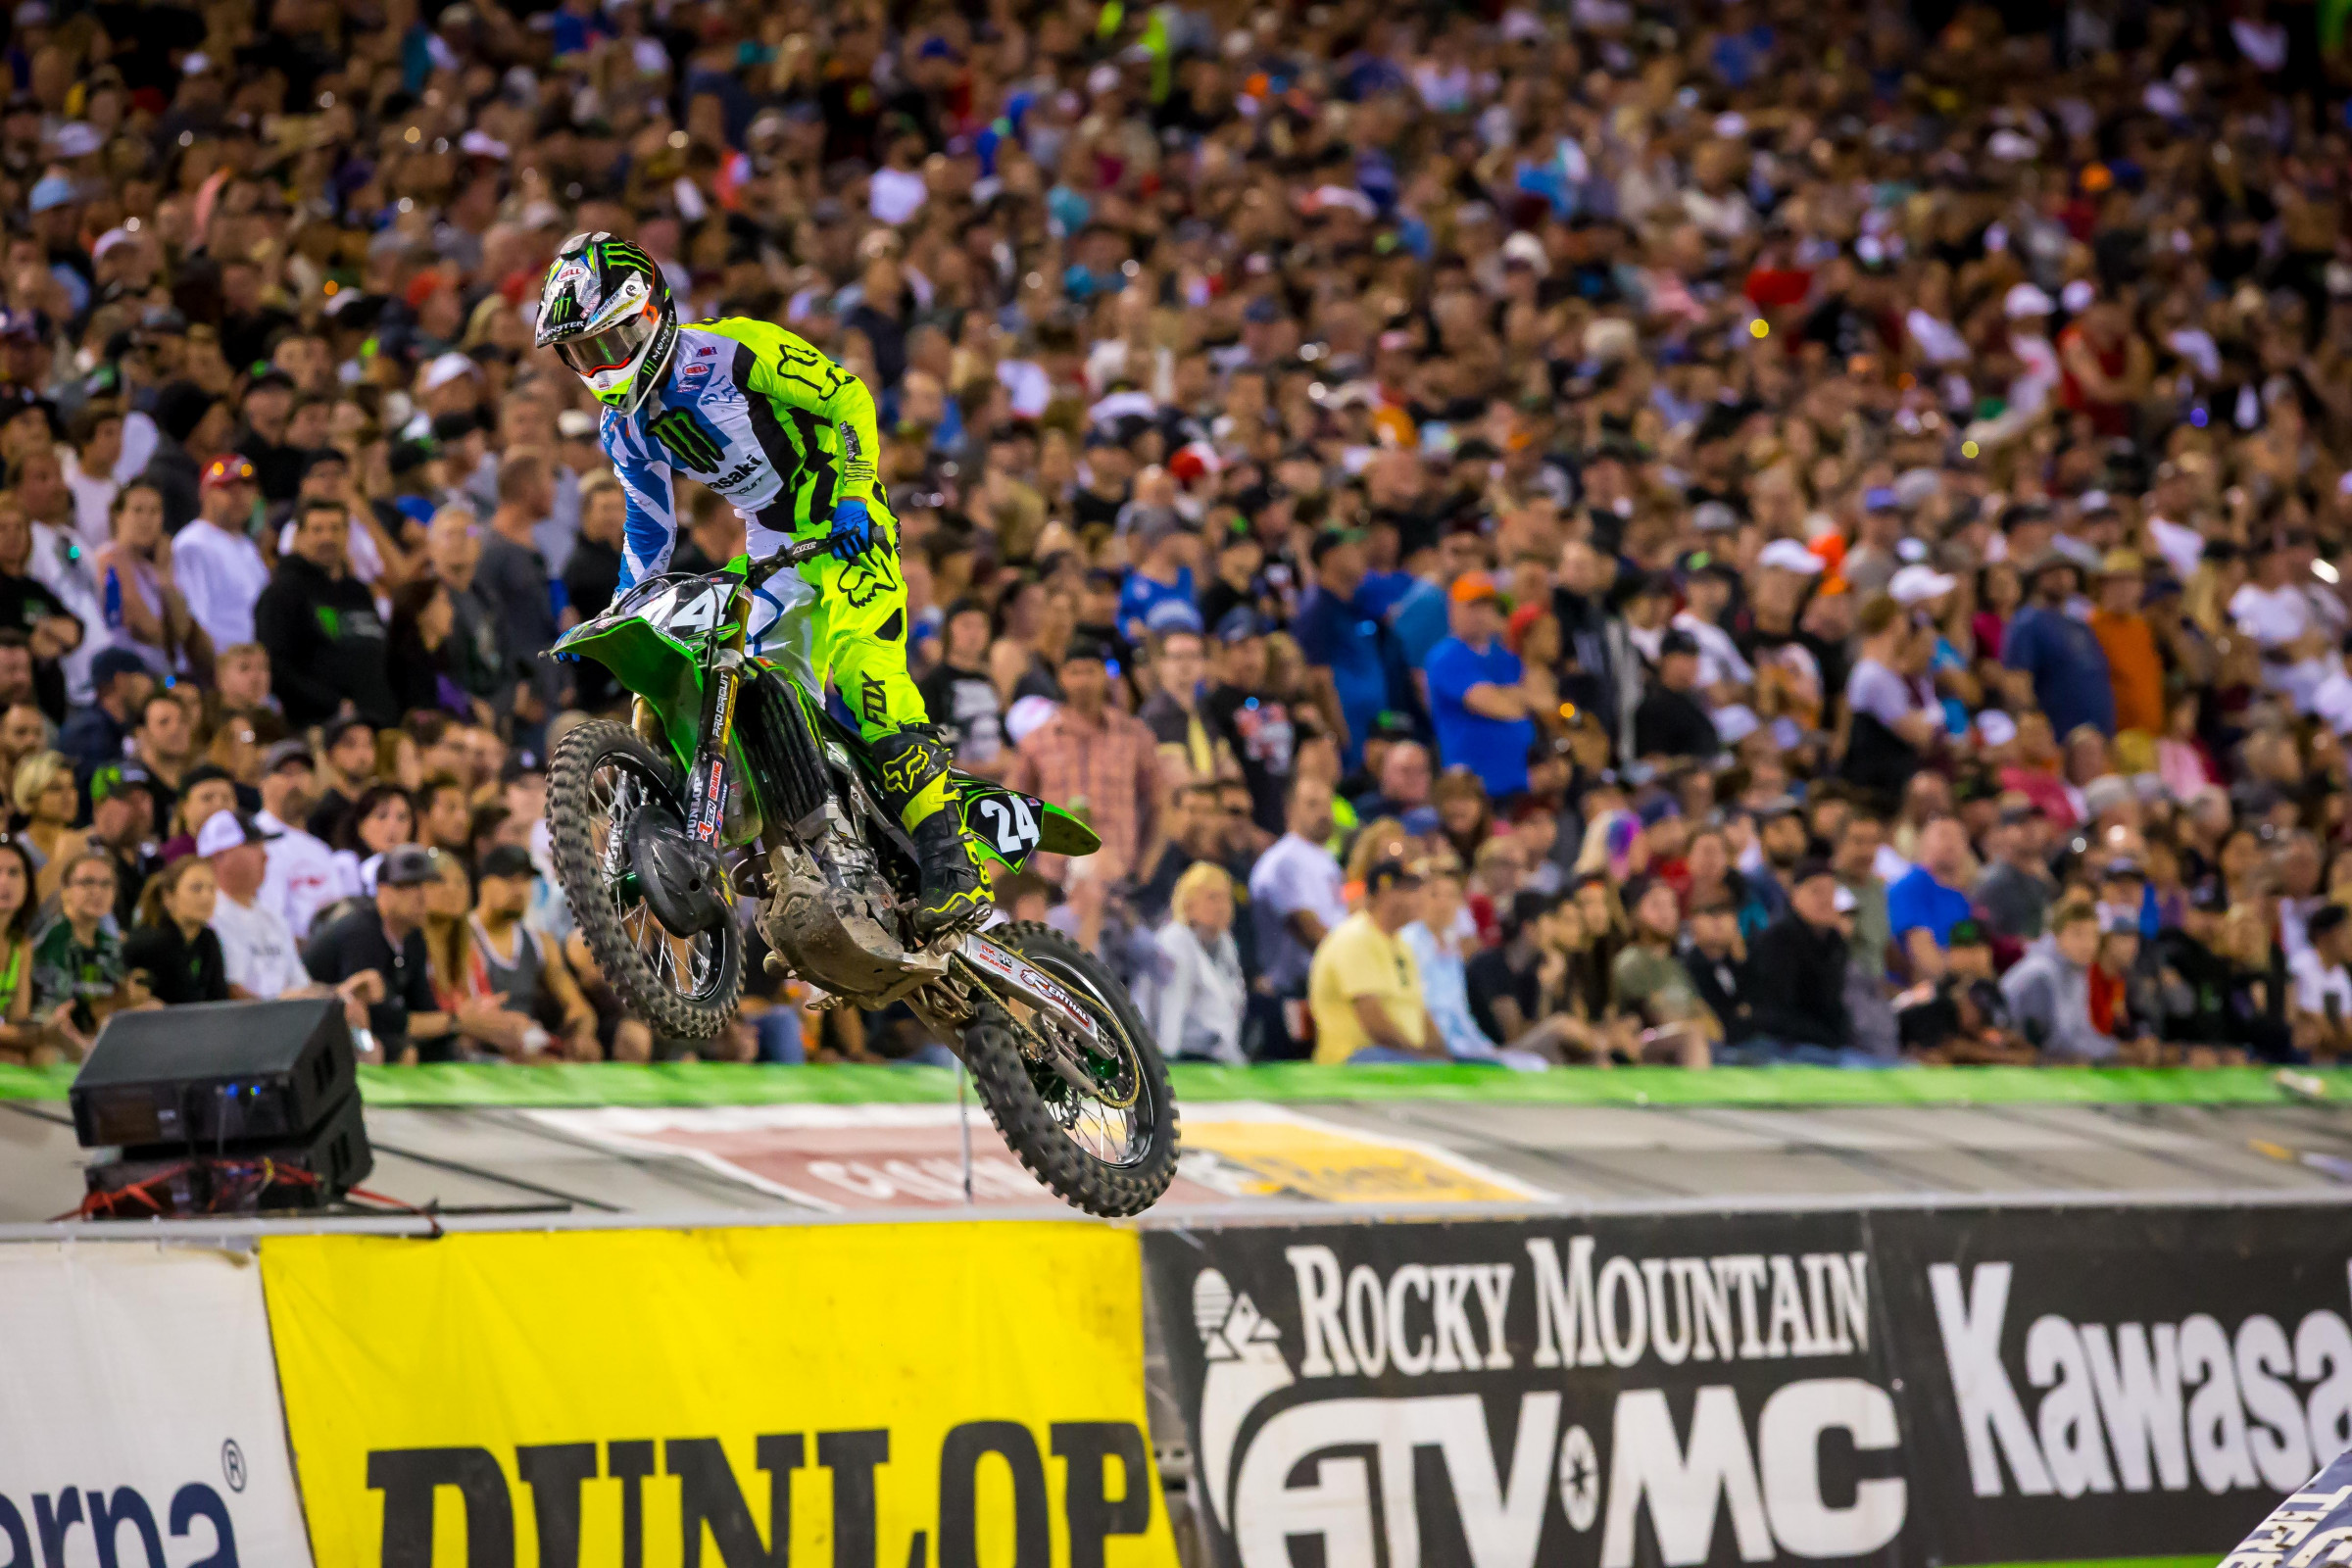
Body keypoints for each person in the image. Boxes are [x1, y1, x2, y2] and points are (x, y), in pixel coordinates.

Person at [537, 231, 988, 938]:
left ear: (649, 315)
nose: (599, 364)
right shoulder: (623, 429)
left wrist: (857, 493)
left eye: (608, 341)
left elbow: (848, 397)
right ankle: (822, 849)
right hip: (772, 546)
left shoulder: (732, 349)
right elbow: (649, 530)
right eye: (582, 352)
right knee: (756, 689)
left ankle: (953, 863)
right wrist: (622, 611)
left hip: (843, 526)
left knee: (867, 682)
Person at [1004, 638, 1159, 881]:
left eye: (1090, 672)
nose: (1083, 682)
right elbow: (1012, 809)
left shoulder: (1134, 735)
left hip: (1120, 876)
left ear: (1105, 675)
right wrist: (1025, 875)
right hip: (1053, 879)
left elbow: (1158, 803)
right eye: (1075, 673)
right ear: (1061, 678)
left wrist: (1146, 868)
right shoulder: (1036, 742)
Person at [253, 496, 398, 730]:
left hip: (378, 724)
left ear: (347, 534)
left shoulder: (359, 592)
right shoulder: (282, 594)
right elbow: (276, 667)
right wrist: (334, 705)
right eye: (317, 530)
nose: (327, 538)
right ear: (299, 536)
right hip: (321, 728)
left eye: (335, 528)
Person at [302, 843, 455, 1064]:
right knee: (400, 1051)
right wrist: (457, 1022)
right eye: (410, 886)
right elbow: (374, 1017)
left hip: (357, 1033)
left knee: (442, 1050)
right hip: (314, 1034)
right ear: (384, 890)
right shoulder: (361, 931)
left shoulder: (412, 937)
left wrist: (453, 1024)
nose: (422, 896)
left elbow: (423, 1005)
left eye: (427, 885)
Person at [461, 844, 600, 1061]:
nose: (520, 890)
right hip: (482, 1049)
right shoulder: (463, 938)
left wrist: (581, 1033)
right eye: (510, 880)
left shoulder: (540, 942)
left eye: (525, 880)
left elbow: (577, 1006)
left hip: (527, 1046)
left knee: (590, 1053)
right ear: (485, 884)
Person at [1306, 859, 1445, 1064]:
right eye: (1412, 888)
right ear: (1385, 891)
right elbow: (1374, 1021)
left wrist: (1443, 1056)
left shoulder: (1401, 944)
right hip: (1356, 1058)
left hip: (1398, 1055)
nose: (1423, 897)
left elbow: (1421, 1012)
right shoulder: (1354, 938)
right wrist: (1420, 1059)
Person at [1248, 774, 1347, 1053]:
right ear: (1290, 810)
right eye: (1312, 804)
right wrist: (1351, 963)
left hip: (1320, 987)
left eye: (1327, 805)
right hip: (1288, 994)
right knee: (1294, 1065)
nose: (1324, 813)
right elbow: (1306, 928)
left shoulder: (1327, 860)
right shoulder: (1286, 860)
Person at [1424, 572, 1544, 800]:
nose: (1480, 615)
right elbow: (1499, 706)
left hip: (1521, 783)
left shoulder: (1505, 655)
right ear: (1453, 610)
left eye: (1487, 606)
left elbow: (1544, 698)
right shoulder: (1445, 656)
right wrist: (1521, 698)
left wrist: (1510, 635)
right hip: (1473, 791)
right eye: (1472, 607)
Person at [1745, 859, 1858, 1062]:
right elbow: (1776, 1010)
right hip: (1783, 1043)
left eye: (1831, 892)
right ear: (1795, 895)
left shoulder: (1835, 942)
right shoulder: (1778, 940)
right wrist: (1826, 1037)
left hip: (1825, 1042)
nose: (1825, 900)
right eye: (1816, 892)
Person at [2003, 556, 2114, 739]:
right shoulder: (2028, 622)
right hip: (2059, 736)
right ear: (2038, 578)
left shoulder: (2079, 624)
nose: (2062, 579)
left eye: (2068, 573)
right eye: (2054, 573)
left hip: (2096, 734)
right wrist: (2034, 729)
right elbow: (2017, 682)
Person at [31, 852, 133, 1053]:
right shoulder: (54, 940)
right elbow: (52, 1014)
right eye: (87, 882)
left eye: (106, 884)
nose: (97, 892)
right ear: (66, 891)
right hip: (56, 1042)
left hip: (96, 1039)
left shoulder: (109, 944)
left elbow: (114, 1003)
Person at [171, 454, 270, 654]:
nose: (239, 496)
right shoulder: (193, 544)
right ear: (205, 493)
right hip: (219, 663)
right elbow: (195, 620)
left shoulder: (246, 545)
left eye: (246, 488)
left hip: (250, 661)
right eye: (227, 489)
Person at [1150, 860, 1246, 1064]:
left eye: (1226, 898)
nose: (1222, 907)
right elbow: (1170, 1008)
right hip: (1182, 1056)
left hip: (1221, 1057)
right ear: (1189, 904)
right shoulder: (1174, 941)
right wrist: (1167, 1063)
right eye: (1212, 898)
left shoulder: (1225, 943)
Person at [201, 809, 302, 1000]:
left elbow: (301, 985)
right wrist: (280, 1004)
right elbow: (228, 992)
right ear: (219, 856)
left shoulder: (274, 919)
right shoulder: (206, 917)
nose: (265, 856)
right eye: (253, 846)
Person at [2001, 904, 2118, 1061]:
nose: (2088, 944)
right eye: (2078, 934)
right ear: (2057, 935)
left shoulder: (2077, 971)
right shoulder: (2039, 974)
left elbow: (2081, 1032)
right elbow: (2053, 1045)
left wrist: (2115, 1048)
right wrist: (2118, 1051)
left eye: (2094, 935)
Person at [255, 739, 345, 938]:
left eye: (302, 772)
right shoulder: (253, 839)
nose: (295, 782)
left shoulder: (320, 849)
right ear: (263, 782)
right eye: (286, 773)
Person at [122, 854, 230, 1005]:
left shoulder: (207, 939)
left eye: (212, 889)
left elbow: (218, 999)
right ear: (168, 896)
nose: (207, 897)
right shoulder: (149, 944)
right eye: (196, 888)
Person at [1886, 815, 1978, 981]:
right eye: (1943, 835)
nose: (1952, 843)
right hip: (1915, 988)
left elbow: (1971, 952)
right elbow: (1924, 959)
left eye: (1959, 837)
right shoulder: (1909, 887)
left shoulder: (1960, 897)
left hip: (1956, 983)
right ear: (1924, 843)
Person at [0, 839, 43, 1062]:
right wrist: (40, 1034)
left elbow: (18, 1018)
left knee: (42, 1056)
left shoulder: (22, 947)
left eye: (14, 873)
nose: (4, 882)